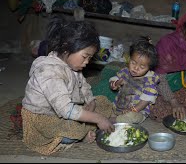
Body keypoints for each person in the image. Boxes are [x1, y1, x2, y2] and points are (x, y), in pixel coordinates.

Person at [21, 15, 115, 156]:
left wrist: (91, 102)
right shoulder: (49, 71)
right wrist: (98, 118)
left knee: (102, 101)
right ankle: (81, 135)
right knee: (71, 131)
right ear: (66, 47)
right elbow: (65, 110)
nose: (87, 62)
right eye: (85, 56)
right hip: (43, 117)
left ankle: (88, 125)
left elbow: (83, 86)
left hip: (66, 108)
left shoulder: (72, 65)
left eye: (90, 58)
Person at [108, 36, 160, 124]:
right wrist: (115, 84)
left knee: (131, 117)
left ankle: (113, 121)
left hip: (138, 111)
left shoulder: (149, 82)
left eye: (142, 67)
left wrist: (132, 110)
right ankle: (115, 117)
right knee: (104, 105)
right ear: (129, 59)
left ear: (149, 68)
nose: (136, 68)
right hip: (119, 106)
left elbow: (144, 102)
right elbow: (114, 81)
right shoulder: (125, 72)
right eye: (133, 63)